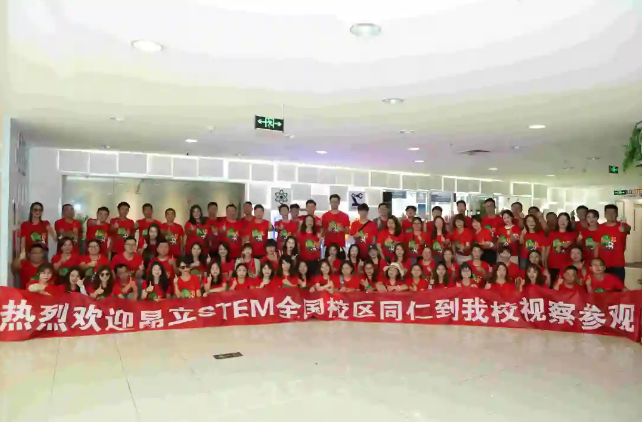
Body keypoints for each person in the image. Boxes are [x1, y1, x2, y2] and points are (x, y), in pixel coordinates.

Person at [596, 204, 630, 282]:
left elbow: (628, 228)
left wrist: (624, 229)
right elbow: (597, 245)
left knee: (618, 286)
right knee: (604, 286)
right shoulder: (600, 228)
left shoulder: (622, 225)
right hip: (602, 264)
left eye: (613, 213)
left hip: (618, 263)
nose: (610, 215)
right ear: (605, 214)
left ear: (617, 214)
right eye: (608, 213)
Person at [547, 212, 577, 282]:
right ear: (557, 221)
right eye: (561, 220)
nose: (563, 222)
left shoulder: (572, 234)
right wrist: (545, 261)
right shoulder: (551, 234)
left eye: (565, 220)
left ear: (568, 222)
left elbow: (566, 245)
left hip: (566, 265)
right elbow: (547, 248)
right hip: (552, 264)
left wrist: (559, 243)